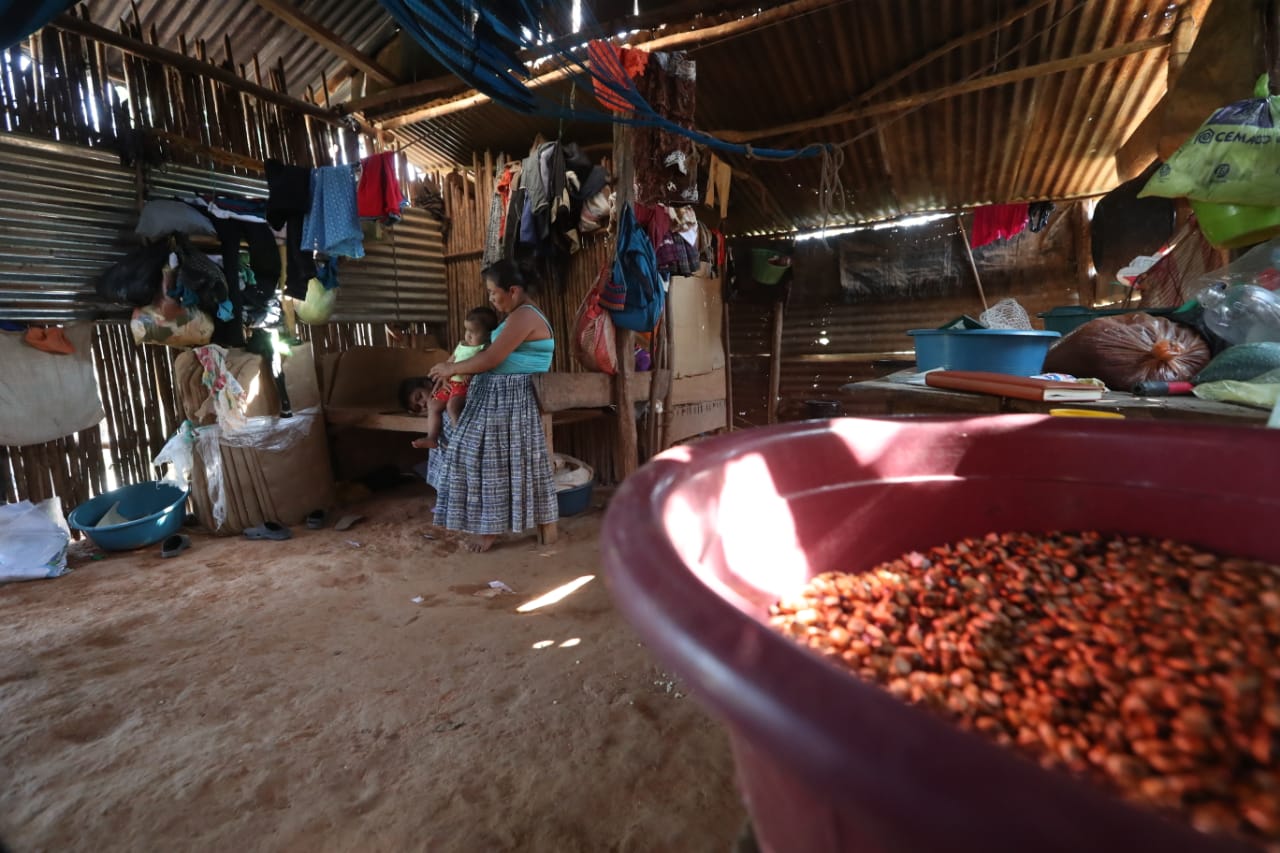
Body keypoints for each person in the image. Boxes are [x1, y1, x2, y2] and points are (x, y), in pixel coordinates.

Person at [425, 260, 557, 552]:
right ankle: (476, 518)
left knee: (485, 458)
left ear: (513, 290)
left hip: (511, 398)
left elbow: (491, 359)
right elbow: (483, 356)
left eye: (492, 292)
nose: (490, 299)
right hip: (493, 395)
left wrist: (451, 369)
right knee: (454, 440)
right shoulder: (515, 316)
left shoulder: (525, 316)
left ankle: (491, 528)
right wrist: (452, 374)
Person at [409, 306, 498, 450]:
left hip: (464, 386)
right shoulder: (461, 345)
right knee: (433, 405)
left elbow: (481, 365)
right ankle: (432, 437)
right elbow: (449, 363)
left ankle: (460, 437)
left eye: (474, 332)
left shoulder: (485, 348)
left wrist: (470, 374)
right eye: (466, 330)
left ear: (488, 335)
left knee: (452, 406)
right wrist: (443, 379)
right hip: (450, 384)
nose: (468, 335)